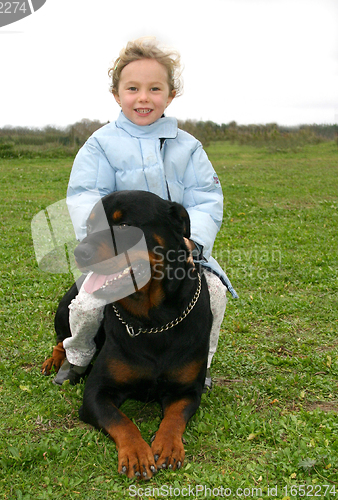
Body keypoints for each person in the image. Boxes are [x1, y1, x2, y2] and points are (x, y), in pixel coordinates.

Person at [54, 37, 238, 388]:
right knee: (88, 302)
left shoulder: (188, 147)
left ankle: (201, 363)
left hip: (174, 252)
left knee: (212, 292)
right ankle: (78, 356)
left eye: (155, 88)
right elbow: (85, 197)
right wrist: (100, 244)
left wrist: (192, 242)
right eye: (133, 88)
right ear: (116, 94)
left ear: (170, 95)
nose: (143, 97)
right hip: (117, 253)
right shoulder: (100, 145)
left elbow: (206, 198)